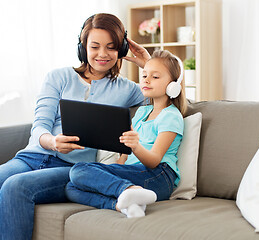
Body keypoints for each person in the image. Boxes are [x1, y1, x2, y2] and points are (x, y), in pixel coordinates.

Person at [0, 13, 151, 240]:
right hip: (31, 157)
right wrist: (52, 141)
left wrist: (147, 65)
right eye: (95, 46)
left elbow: (169, 104)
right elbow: (40, 125)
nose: (102, 54)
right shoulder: (58, 77)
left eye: (111, 47)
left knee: (15, 187)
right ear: (83, 49)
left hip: (71, 169)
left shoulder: (127, 89)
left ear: (121, 49)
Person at [65, 49, 188, 218]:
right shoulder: (142, 112)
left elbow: (153, 161)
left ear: (173, 85)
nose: (147, 80)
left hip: (158, 176)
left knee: (79, 170)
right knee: (71, 187)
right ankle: (123, 206)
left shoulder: (171, 116)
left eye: (155, 77)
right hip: (134, 172)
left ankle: (129, 190)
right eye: (144, 75)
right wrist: (111, 170)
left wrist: (135, 146)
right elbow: (124, 154)